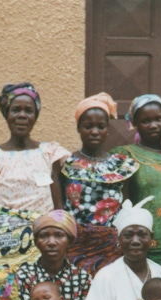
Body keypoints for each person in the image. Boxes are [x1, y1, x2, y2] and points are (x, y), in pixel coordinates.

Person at [0, 83, 69, 270]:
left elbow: (58, 205)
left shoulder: (50, 153)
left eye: (29, 111)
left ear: (36, 116)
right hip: (4, 240)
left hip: (43, 239)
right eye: (15, 110)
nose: (22, 116)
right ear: (6, 114)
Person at [61, 93, 138, 274]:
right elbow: (60, 207)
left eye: (100, 126)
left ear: (107, 129)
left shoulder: (121, 166)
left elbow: (126, 206)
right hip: (74, 243)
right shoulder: (65, 163)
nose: (94, 131)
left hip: (110, 246)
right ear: (79, 128)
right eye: (88, 126)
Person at [111, 94, 161, 264]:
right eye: (145, 121)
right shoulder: (126, 155)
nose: (153, 125)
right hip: (141, 248)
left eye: (158, 119)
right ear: (135, 124)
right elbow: (120, 201)